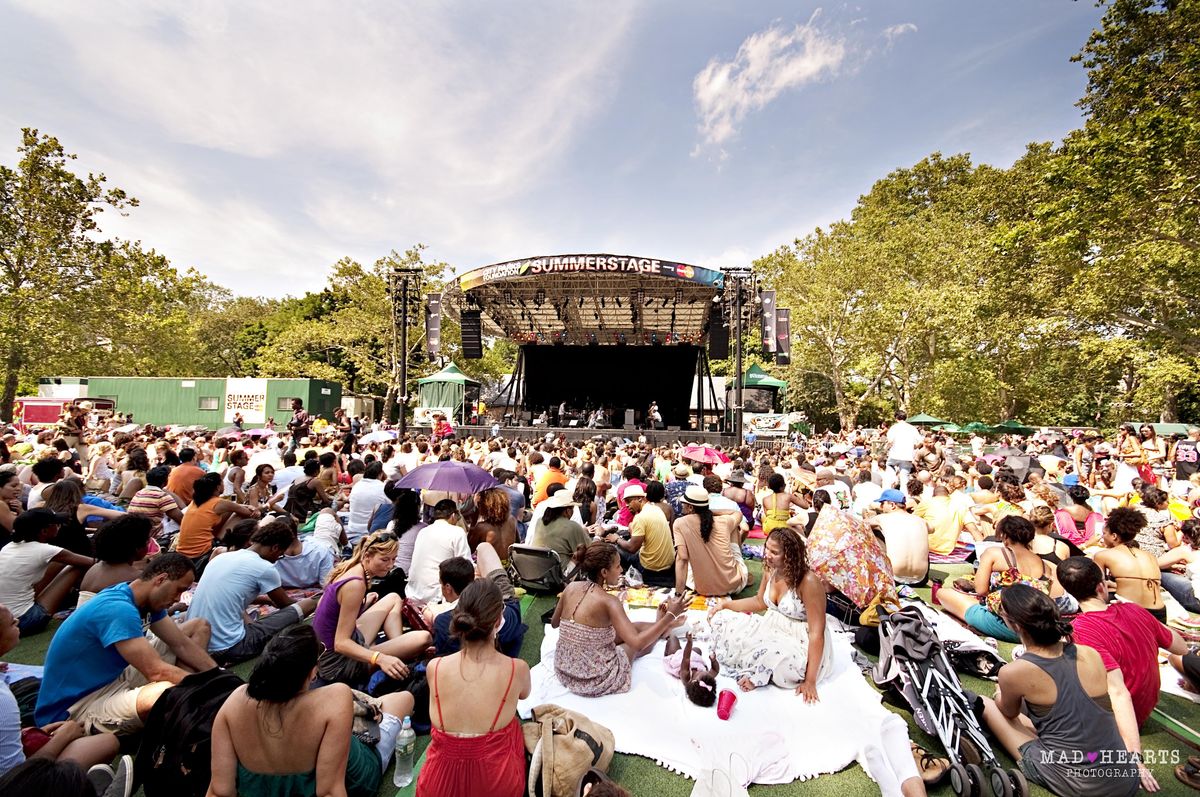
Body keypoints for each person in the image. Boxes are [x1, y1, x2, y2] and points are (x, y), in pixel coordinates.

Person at [207, 624, 413, 797]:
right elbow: (330, 792)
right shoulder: (334, 696)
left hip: (270, 784)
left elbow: (219, 791)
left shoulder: (235, 700)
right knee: (403, 699)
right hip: (356, 776)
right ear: (313, 671)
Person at [979, 585, 1140, 796]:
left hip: (1081, 785)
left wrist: (1000, 692)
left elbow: (1008, 713)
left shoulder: (1014, 672)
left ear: (1014, 624)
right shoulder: (1090, 653)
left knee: (986, 704)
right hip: (1125, 778)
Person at [35, 552, 216, 734]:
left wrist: (218, 677)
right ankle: (185, 708)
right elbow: (156, 671)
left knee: (198, 627)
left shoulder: (141, 598)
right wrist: (211, 687)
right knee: (163, 692)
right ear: (161, 580)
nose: (178, 598)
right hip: (77, 706)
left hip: (113, 679)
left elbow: (181, 644)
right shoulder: (118, 608)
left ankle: (183, 706)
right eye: (179, 590)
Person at [1057, 556, 1186, 757]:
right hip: (1141, 709)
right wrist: (1146, 622)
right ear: (1101, 586)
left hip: (1118, 719)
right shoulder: (1133, 609)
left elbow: (1118, 692)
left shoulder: (1081, 629)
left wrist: (1134, 755)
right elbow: (1181, 647)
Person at [417, 577, 531, 797]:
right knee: (513, 728)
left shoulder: (435, 667)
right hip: (495, 784)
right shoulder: (517, 669)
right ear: (498, 621)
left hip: (438, 784)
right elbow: (524, 694)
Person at [0, 604, 123, 782]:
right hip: (13, 784)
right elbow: (15, 778)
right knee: (105, 743)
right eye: (11, 623)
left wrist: (30, 733)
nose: (17, 621)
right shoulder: (3, 698)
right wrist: (64, 737)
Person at [708, 529, 832, 701]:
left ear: (789, 555)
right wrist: (726, 605)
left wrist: (810, 681)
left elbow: (816, 633)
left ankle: (760, 674)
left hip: (801, 639)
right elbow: (759, 602)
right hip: (771, 626)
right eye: (767, 549)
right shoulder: (770, 569)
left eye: (774, 552)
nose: (767, 555)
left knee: (776, 657)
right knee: (725, 621)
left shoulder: (809, 581)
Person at [551, 541, 686, 697]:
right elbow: (638, 643)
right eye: (618, 566)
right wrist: (670, 615)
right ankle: (663, 627)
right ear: (604, 572)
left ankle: (661, 626)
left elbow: (555, 623)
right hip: (592, 679)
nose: (621, 570)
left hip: (564, 666)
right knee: (633, 645)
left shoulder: (571, 588)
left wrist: (580, 629)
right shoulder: (609, 602)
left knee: (633, 627)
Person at [187, 520, 317, 665]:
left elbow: (230, 596)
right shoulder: (264, 568)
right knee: (308, 604)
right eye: (280, 555)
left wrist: (266, 600)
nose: (277, 560)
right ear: (275, 548)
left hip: (196, 640)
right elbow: (285, 605)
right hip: (231, 648)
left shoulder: (222, 557)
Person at [312, 531, 432, 686]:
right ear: (368, 555)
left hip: (328, 649)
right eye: (384, 559)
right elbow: (340, 643)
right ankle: (397, 650)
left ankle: (398, 647)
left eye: (394, 559)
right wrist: (379, 658)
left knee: (394, 597)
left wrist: (362, 605)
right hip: (336, 664)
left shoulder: (352, 568)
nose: (390, 565)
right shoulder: (355, 585)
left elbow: (326, 608)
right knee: (424, 638)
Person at [935, 515, 1060, 643]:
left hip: (1008, 625)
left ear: (1005, 536)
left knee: (943, 593)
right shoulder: (1045, 565)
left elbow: (981, 590)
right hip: (1036, 628)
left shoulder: (994, 553)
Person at [0, 509, 95, 635]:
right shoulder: (45, 550)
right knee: (77, 566)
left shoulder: (8, 547)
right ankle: (83, 601)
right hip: (25, 620)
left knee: (62, 562)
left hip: (6, 619)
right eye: (56, 524)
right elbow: (94, 563)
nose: (59, 527)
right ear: (44, 531)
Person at [428, 544, 526, 658]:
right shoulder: (509, 618)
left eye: (441, 583)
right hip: (499, 605)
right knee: (483, 547)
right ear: (498, 620)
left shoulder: (442, 622)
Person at [1093, 506, 1167, 622]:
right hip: (1159, 613)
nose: (1102, 537)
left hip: (1131, 613)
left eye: (1104, 533)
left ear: (1114, 536)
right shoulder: (1149, 556)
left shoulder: (1103, 555)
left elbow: (1098, 589)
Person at [671, 484, 747, 597]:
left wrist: (678, 594)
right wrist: (710, 512)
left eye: (684, 504)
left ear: (690, 507)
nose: (682, 506)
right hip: (732, 585)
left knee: (683, 555)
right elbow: (737, 514)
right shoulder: (724, 521)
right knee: (734, 528)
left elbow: (682, 558)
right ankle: (736, 570)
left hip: (702, 588)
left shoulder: (680, 523)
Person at [174, 473, 258, 564]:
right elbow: (250, 513)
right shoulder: (219, 503)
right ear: (218, 487)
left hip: (182, 552)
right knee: (238, 514)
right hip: (202, 552)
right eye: (222, 482)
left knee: (231, 510)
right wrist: (254, 508)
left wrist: (242, 506)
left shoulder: (195, 501)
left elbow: (234, 506)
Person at [605, 484, 675, 587]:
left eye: (629, 501)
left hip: (650, 566)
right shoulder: (656, 509)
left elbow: (632, 548)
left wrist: (616, 539)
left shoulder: (640, 517)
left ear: (640, 499)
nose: (627, 505)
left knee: (612, 548)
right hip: (667, 563)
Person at [78, 515, 154, 607]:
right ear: (137, 548)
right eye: (147, 542)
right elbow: (154, 611)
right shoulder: (135, 577)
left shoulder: (96, 567)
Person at [406, 499, 471, 603]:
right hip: (437, 596)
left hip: (413, 591)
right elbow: (466, 566)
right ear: (453, 516)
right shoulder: (457, 532)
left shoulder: (423, 531)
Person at [126, 465, 184, 542]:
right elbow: (180, 519)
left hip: (136, 530)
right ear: (165, 481)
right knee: (185, 514)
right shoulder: (161, 496)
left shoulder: (139, 493)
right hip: (153, 533)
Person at [662, 631, 719, 707]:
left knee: (673, 638)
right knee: (698, 650)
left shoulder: (686, 676)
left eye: (700, 673)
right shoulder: (707, 679)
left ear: (693, 681)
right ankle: (688, 649)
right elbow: (715, 670)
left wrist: (689, 642)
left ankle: (667, 645)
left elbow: (686, 658)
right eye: (708, 674)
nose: (706, 672)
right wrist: (713, 660)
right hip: (694, 659)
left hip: (678, 658)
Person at [531, 490, 588, 558]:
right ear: (567, 511)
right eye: (572, 508)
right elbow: (589, 550)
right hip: (563, 567)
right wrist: (598, 537)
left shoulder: (540, 521)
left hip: (538, 566)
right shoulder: (572, 526)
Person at [345, 461, 388, 545]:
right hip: (370, 531)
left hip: (353, 528)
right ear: (380, 474)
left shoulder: (357, 485)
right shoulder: (382, 487)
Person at [886, 412, 924, 490]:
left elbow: (890, 441)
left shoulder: (894, 428)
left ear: (896, 418)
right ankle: (905, 495)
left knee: (889, 465)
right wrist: (915, 447)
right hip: (907, 456)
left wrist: (887, 448)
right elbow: (920, 441)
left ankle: (894, 478)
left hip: (895, 455)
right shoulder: (912, 428)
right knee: (904, 478)